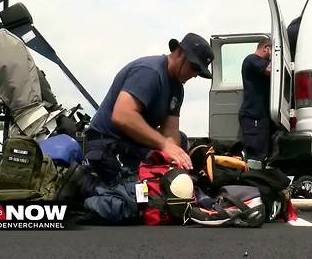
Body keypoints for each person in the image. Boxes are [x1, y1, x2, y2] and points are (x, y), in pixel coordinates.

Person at [82, 33, 214, 190]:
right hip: (106, 144)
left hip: (131, 145)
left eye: (198, 72)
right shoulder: (150, 72)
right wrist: (164, 144)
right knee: (137, 194)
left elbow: (170, 131)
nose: (194, 75)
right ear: (179, 53)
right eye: (194, 67)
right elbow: (122, 115)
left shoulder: (177, 89)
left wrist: (174, 162)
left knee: (181, 143)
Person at [238, 37, 272, 169]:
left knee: (262, 154)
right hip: (253, 116)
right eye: (271, 50)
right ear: (266, 48)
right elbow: (271, 70)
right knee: (255, 156)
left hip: (259, 116)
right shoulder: (252, 59)